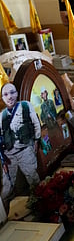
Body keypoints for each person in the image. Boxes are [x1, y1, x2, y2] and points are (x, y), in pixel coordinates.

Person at [0, 83, 42, 215]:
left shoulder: (25, 105)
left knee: (34, 180)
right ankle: (5, 217)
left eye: (12, 92)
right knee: (7, 187)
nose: (9, 97)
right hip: (9, 156)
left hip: (25, 151)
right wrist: (2, 160)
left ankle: (41, 209)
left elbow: (36, 124)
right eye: (6, 94)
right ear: (2, 98)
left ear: (17, 93)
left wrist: (36, 140)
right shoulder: (1, 116)